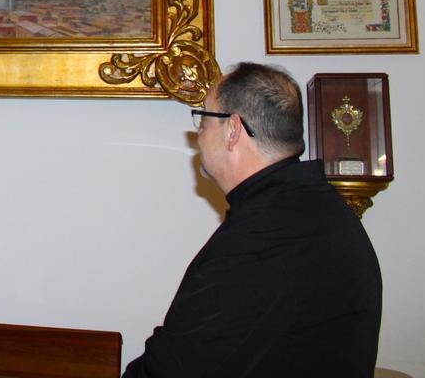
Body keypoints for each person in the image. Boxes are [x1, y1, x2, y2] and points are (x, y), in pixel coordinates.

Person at [123, 62, 382, 377]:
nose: (199, 135)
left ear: (232, 130)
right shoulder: (319, 208)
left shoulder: (260, 240)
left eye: (203, 121)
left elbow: (170, 369)